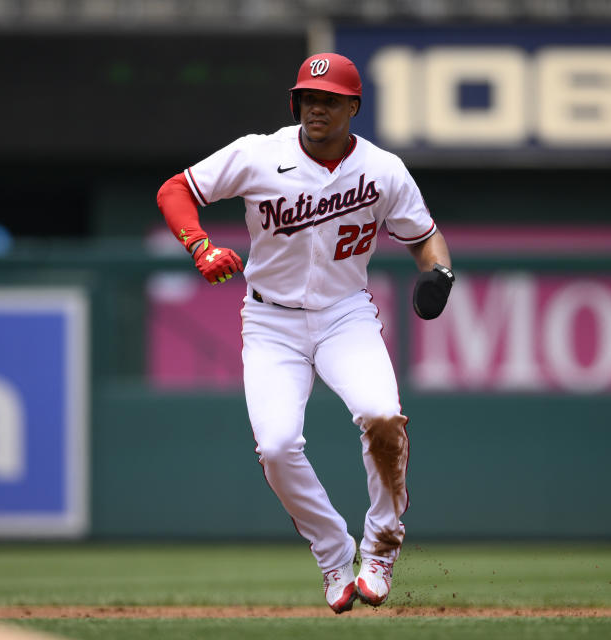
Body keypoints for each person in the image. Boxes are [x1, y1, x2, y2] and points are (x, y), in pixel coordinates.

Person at [157, 52, 454, 613]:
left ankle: (382, 547)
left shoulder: (383, 169)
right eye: (307, 98)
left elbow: (425, 236)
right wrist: (199, 244)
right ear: (296, 103)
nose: (316, 107)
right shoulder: (258, 153)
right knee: (275, 446)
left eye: (329, 99)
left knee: (383, 416)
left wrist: (439, 273)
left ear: (353, 107)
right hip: (271, 321)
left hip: (345, 314)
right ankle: (333, 554)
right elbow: (176, 190)